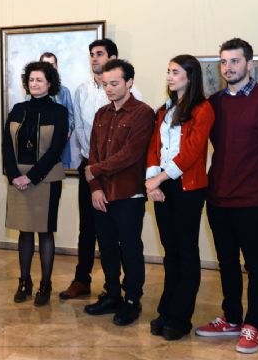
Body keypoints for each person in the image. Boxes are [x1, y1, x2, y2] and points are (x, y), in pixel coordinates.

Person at [195, 38, 258, 354]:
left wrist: (257, 180)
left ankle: (254, 325)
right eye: (223, 62)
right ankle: (232, 317)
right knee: (226, 262)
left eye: (234, 61)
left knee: (255, 264)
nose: (228, 68)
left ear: (249, 64)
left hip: (251, 200)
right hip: (218, 197)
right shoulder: (215, 103)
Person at [60, 39, 143, 300]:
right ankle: (85, 281)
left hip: (121, 173)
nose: (94, 59)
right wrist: (91, 170)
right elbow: (86, 135)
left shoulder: (137, 99)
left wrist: (97, 167)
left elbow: (131, 148)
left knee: (124, 237)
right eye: (91, 55)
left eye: (99, 54)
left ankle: (126, 294)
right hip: (91, 168)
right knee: (90, 229)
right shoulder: (83, 91)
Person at [145, 55, 215, 340]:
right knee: (170, 250)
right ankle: (167, 309)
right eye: (168, 72)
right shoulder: (164, 110)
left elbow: (193, 152)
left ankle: (181, 316)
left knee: (186, 252)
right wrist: (153, 181)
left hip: (187, 187)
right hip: (162, 184)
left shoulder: (203, 109)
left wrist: (159, 177)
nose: (170, 77)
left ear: (190, 76)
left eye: (175, 72)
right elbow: (154, 146)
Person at [83, 59, 154, 326]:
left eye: (114, 84)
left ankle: (132, 300)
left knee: (130, 249)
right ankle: (112, 294)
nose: (109, 89)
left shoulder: (143, 113)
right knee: (108, 248)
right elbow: (92, 152)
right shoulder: (102, 114)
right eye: (105, 84)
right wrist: (95, 187)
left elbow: (131, 155)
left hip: (128, 194)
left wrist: (95, 170)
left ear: (129, 83)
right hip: (102, 194)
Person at [2, 61, 68, 306]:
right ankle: (24, 281)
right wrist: (14, 175)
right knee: (24, 230)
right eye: (31, 80)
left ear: (49, 83)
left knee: (45, 231)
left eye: (39, 80)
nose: (35, 84)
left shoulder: (59, 112)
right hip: (17, 179)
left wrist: (30, 177)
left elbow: (55, 150)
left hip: (46, 179)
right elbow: (6, 145)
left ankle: (45, 284)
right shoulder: (18, 109)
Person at [38, 52, 75, 168]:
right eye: (45, 64)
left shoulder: (64, 92)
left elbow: (71, 116)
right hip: (40, 147)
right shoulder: (31, 94)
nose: (49, 68)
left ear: (57, 67)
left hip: (61, 147)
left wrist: (67, 131)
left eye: (52, 64)